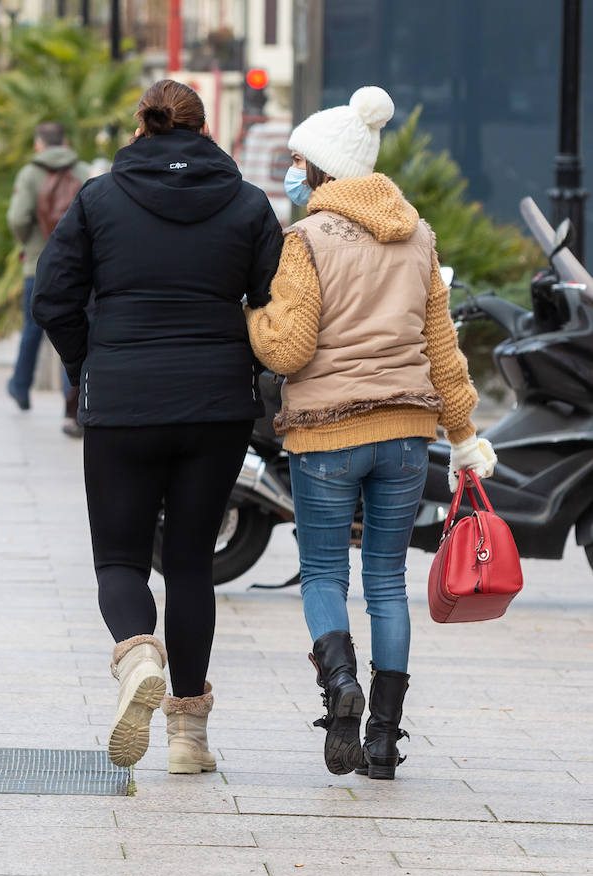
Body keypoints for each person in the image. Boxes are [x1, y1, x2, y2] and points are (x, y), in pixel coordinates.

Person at [33, 80, 283, 773]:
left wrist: (92, 362)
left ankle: (137, 650)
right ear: (205, 129)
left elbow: (51, 297)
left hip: (122, 400)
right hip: (216, 407)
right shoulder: (249, 203)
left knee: (120, 559)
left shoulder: (98, 198)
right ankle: (188, 739)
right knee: (191, 565)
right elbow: (274, 309)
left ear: (140, 126)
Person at [247, 86, 494, 780]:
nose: (291, 171)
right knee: (387, 581)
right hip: (408, 434)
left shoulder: (306, 239)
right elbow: (443, 351)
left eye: (298, 160)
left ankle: (341, 689)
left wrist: (251, 321)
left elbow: (289, 350)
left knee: (325, 572)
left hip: (327, 434)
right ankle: (383, 741)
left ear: (323, 168)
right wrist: (466, 433)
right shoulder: (418, 237)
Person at [7, 122, 89, 438]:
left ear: (39, 144)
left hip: (36, 264)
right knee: (74, 335)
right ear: (65, 141)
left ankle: (20, 387)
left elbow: (17, 217)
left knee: (32, 330)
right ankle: (72, 406)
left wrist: (29, 242)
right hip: (75, 268)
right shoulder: (82, 170)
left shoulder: (30, 174)